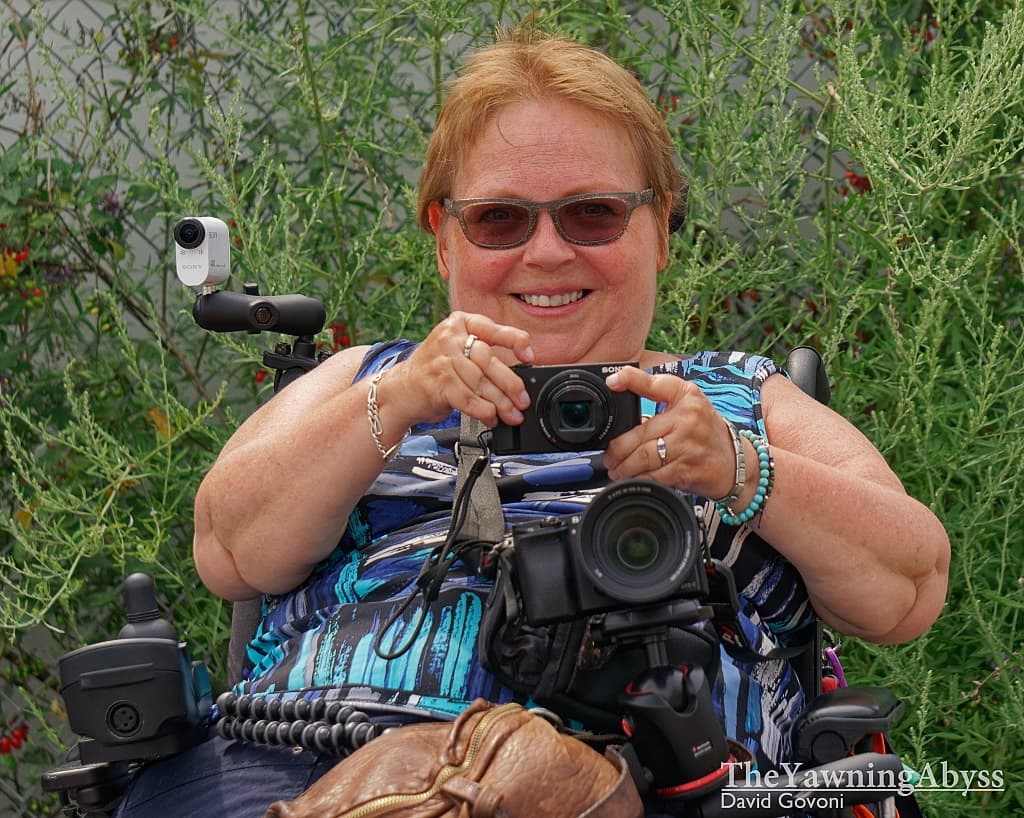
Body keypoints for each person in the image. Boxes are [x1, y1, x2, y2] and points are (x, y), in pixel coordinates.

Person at [113, 25, 950, 817]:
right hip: (300, 758)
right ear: (445, 240)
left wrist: (741, 467)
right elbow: (229, 550)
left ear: (659, 229)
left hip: (664, 773)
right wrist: (403, 397)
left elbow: (908, 586)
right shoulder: (371, 377)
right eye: (500, 219)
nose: (547, 253)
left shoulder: (735, 395)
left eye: (593, 213)